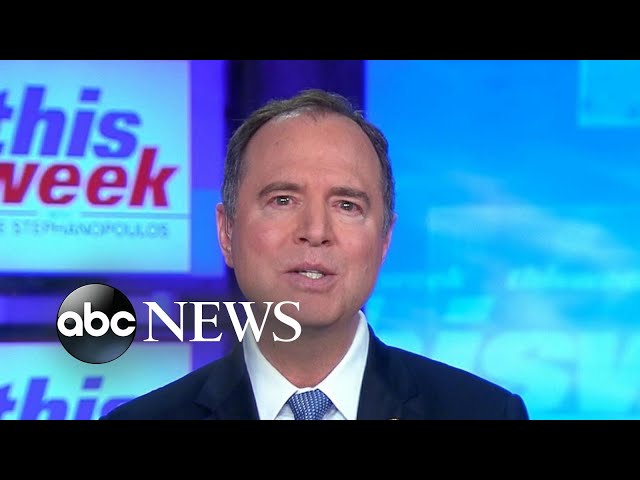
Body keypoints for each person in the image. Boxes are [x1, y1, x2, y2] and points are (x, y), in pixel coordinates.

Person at [103, 89, 529, 420]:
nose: (315, 231)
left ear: (384, 240)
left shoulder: (486, 413)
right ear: (227, 232)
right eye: (283, 200)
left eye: (347, 205)